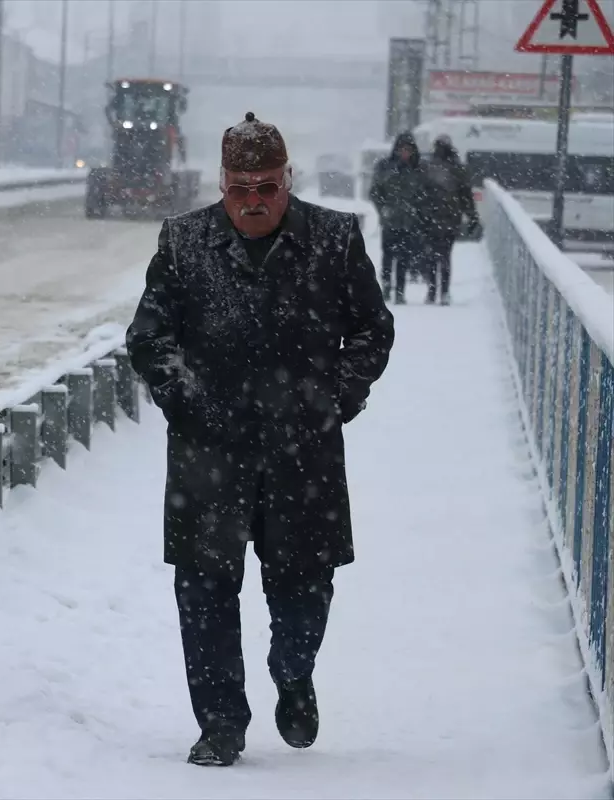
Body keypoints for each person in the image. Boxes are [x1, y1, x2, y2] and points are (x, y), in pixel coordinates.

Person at [125, 112, 395, 768]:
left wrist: (336, 397)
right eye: (241, 186)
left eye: (267, 186)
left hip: (304, 449)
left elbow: (372, 327)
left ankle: (293, 670)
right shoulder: (185, 243)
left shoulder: (333, 239)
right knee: (204, 591)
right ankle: (220, 724)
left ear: (287, 180)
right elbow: (148, 337)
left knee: (306, 584)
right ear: (221, 184)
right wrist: (186, 400)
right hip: (207, 452)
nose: (254, 199)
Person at [369, 131, 436, 304]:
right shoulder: (385, 167)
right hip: (390, 220)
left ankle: (399, 290)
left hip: (410, 221)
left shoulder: (419, 170)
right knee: (388, 256)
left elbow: (426, 193)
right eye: (402, 149)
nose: (405, 153)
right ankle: (385, 287)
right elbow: (375, 192)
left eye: (408, 150)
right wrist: (383, 208)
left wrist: (418, 210)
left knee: (404, 257)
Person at [423, 134, 481, 305]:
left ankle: (433, 290)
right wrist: (472, 217)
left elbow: (421, 194)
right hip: (449, 218)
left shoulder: (428, 167)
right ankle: (443, 291)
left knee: (432, 257)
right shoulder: (457, 168)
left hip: (433, 218)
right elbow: (466, 196)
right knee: (445, 256)